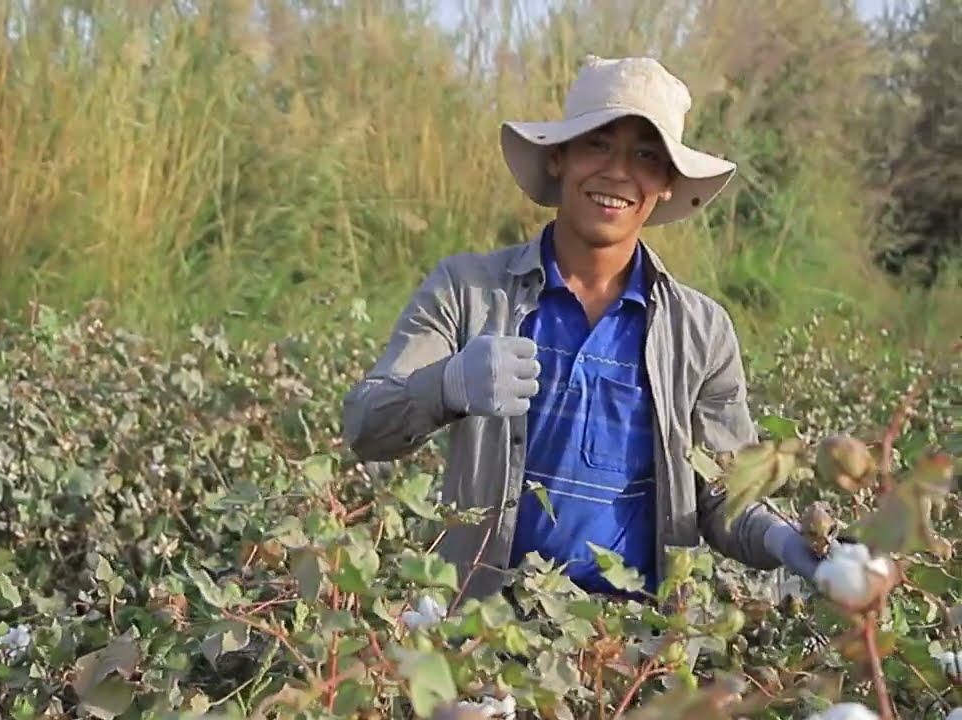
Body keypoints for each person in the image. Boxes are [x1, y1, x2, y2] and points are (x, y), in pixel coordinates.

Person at [341, 55, 821, 606]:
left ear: (666, 182)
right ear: (558, 158)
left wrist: (789, 543)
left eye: (646, 155)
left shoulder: (701, 331)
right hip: (483, 636)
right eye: (598, 143)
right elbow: (365, 424)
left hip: (636, 649)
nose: (618, 172)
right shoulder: (467, 290)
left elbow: (721, 496)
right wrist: (446, 385)